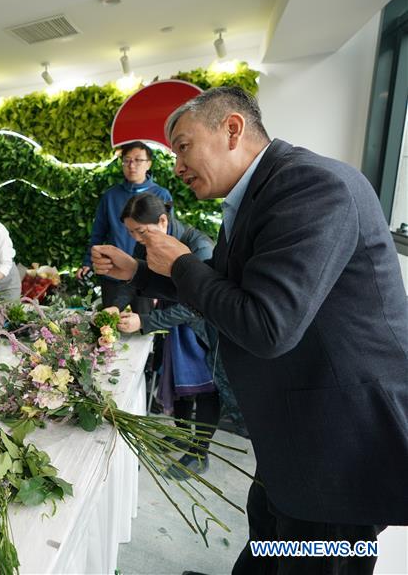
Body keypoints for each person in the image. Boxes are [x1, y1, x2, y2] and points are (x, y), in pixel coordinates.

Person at [92, 86, 408, 574]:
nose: (175, 165)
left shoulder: (312, 186)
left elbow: (267, 325)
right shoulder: (259, 194)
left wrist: (179, 265)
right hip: (293, 430)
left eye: (182, 145)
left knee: (316, 558)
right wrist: (137, 273)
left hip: (339, 444)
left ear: (232, 129)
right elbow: (220, 287)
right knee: (269, 535)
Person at [112, 192, 222, 478]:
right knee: (181, 387)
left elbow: (196, 306)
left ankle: (200, 453)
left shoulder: (200, 247)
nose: (136, 238)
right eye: (131, 232)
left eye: (141, 231)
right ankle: (184, 437)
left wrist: (146, 321)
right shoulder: (146, 241)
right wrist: (115, 307)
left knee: (205, 391)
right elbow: (134, 277)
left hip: (201, 330)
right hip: (174, 327)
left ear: (163, 220)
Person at [77, 141, 172, 313]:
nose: (132, 165)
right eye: (127, 160)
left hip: (146, 272)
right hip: (113, 272)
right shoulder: (111, 196)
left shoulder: (161, 195)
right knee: (108, 323)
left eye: (138, 160)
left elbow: (168, 236)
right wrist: (88, 262)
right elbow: (98, 232)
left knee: (144, 322)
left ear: (148, 163)